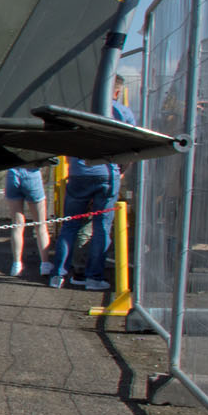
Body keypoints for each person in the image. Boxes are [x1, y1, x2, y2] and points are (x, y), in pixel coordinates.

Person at [50, 78, 135, 290]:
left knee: (69, 225)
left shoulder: (78, 111)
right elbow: (131, 145)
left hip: (79, 173)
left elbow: (66, 142)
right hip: (107, 173)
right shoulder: (122, 112)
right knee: (102, 228)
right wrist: (121, 171)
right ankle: (93, 277)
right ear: (115, 93)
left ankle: (58, 275)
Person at [3, 165, 51, 278]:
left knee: (17, 225)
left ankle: (16, 264)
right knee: (40, 225)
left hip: (12, 173)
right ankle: (45, 264)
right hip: (32, 173)